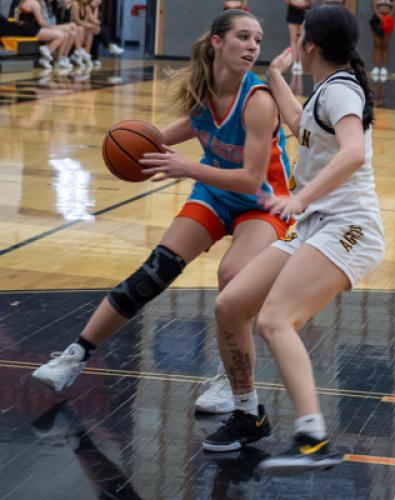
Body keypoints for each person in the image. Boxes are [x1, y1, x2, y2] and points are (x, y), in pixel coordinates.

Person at [32, 10, 292, 417]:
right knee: (154, 271)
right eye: (243, 37)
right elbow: (190, 126)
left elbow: (249, 179)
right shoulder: (205, 89)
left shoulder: (259, 101)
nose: (253, 46)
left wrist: (185, 166)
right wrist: (134, 146)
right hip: (214, 194)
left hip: (263, 202)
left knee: (233, 276)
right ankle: (75, 356)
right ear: (217, 42)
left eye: (257, 40)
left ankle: (232, 380)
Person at [202, 4, 384, 474]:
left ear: (311, 45)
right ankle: (247, 414)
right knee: (231, 304)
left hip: (349, 229)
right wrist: (276, 76)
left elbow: (351, 156)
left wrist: (301, 200)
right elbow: (301, 122)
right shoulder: (328, 90)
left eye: (300, 36)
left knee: (276, 319)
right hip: (317, 227)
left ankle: (312, 438)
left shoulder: (342, 92)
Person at [369, 0, 395, 82]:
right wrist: (379, 16)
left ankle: (384, 68)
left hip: (388, 19)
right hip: (377, 18)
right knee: (377, 44)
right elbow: (374, 6)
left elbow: (394, 7)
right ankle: (375, 67)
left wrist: (388, 16)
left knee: (385, 45)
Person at [285, 0, 314, 74]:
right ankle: (295, 63)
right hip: (292, 13)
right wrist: (296, 2)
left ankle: (301, 62)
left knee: (302, 39)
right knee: (293, 40)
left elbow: (311, 2)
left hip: (303, 13)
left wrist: (304, 3)